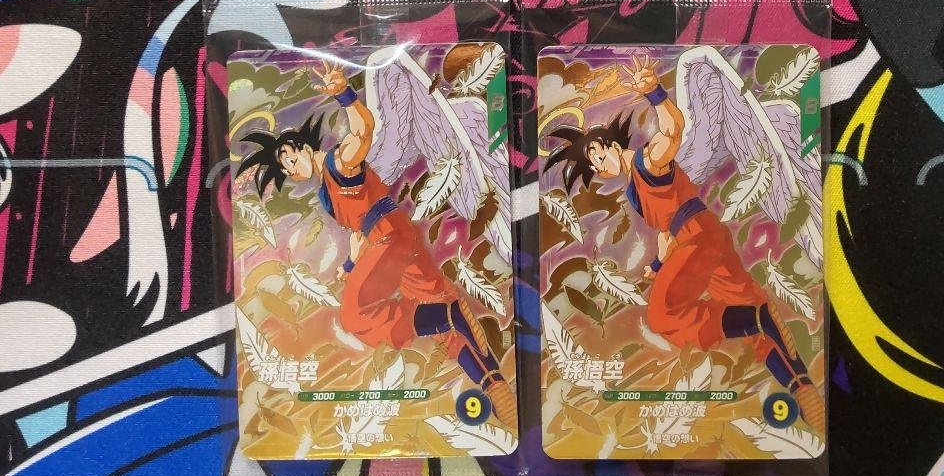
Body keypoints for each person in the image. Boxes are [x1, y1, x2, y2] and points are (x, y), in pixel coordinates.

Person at [546, 54, 825, 430]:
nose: (598, 165)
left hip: (699, 239)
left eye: (597, 153)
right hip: (703, 240)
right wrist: (658, 264)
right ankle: (802, 388)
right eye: (592, 166)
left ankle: (758, 319)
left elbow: (673, 130)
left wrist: (654, 92)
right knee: (754, 326)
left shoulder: (648, 161)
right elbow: (665, 233)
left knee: (663, 315)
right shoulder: (635, 188)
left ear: (610, 143)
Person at [239, 60, 515, 423]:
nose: (291, 167)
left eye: (290, 156)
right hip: (394, 240)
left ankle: (450, 316)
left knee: (356, 315)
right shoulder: (327, 188)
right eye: (286, 168)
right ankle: (495, 386)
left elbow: (363, 130)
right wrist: (351, 263)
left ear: (302, 146)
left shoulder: (339, 163)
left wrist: (344, 94)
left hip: (390, 239)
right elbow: (359, 230)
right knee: (441, 328)